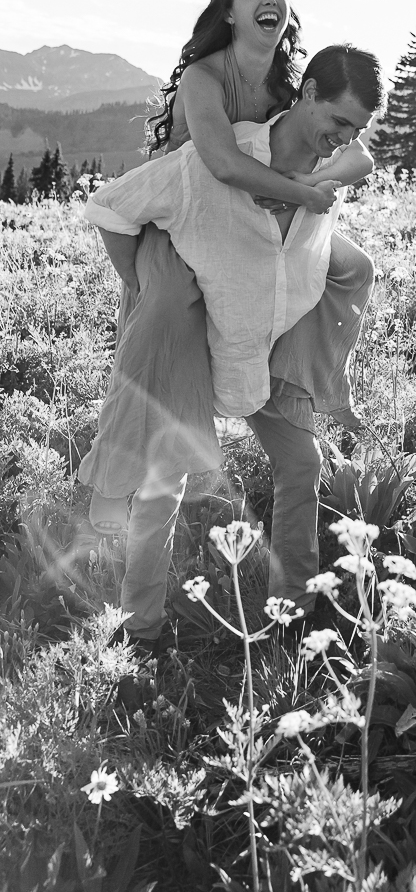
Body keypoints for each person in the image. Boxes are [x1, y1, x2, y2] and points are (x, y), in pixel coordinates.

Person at [85, 45, 385, 646]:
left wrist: (314, 178)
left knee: (303, 463)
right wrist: (148, 291)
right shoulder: (213, 164)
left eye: (354, 127)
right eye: (337, 121)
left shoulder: (327, 171)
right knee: (162, 481)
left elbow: (360, 161)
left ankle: (295, 614)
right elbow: (110, 207)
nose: (341, 138)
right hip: (199, 343)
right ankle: (139, 628)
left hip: (267, 350)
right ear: (306, 95)